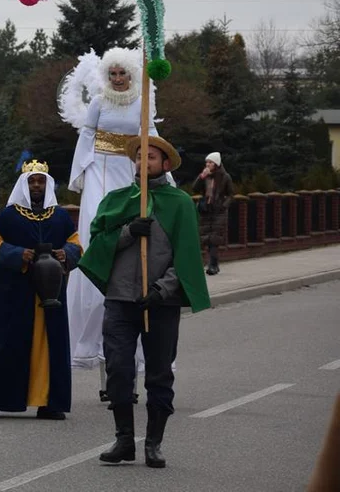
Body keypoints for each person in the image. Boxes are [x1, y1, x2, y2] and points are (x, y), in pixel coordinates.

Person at [79, 136, 211, 468]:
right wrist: (127, 232)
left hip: (159, 303)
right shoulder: (117, 200)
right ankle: (124, 440)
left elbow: (186, 257)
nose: (143, 162)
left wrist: (162, 290)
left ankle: (154, 442)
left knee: (159, 374)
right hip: (120, 301)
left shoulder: (179, 203)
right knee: (119, 370)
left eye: (150, 157)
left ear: (165, 164)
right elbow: (96, 244)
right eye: (139, 156)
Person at [60, 48, 162, 395]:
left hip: (128, 173)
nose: (118, 79)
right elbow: (86, 137)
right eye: (113, 74)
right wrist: (81, 175)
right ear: (107, 75)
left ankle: (126, 375)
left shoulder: (142, 103)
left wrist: (156, 174)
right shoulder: (100, 102)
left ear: (132, 74)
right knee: (98, 239)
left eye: (124, 73)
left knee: (130, 246)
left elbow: (151, 141)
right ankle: (105, 368)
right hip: (100, 172)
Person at [0, 161, 81, 421]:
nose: (37, 185)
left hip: (50, 291)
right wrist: (17, 254)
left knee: (50, 344)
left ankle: (49, 401)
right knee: (8, 341)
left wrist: (64, 254)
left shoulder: (59, 217)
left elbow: (76, 245)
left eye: (41, 181)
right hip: (15, 291)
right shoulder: (8, 216)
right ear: (24, 184)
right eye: (32, 181)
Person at [193, 152, 234, 275]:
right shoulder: (205, 176)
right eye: (207, 162)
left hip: (219, 212)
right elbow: (194, 188)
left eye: (210, 162)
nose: (208, 164)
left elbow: (231, 194)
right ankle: (213, 264)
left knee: (214, 239)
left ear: (216, 164)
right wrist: (201, 177)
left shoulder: (225, 177)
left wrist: (224, 205)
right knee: (206, 238)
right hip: (206, 210)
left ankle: (212, 265)